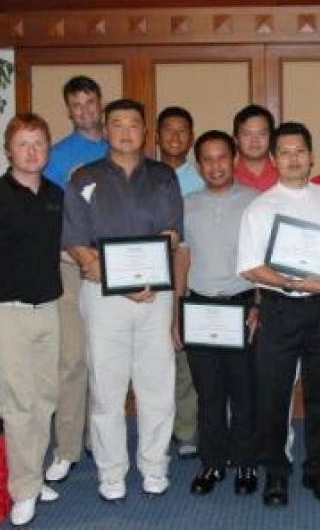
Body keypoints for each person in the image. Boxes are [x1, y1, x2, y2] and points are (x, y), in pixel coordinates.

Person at [62, 99, 182, 501]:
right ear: (106, 130)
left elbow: (171, 235)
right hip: (103, 298)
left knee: (157, 384)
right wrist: (124, 281)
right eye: (117, 124)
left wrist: (144, 278)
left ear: (144, 131)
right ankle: (111, 473)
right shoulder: (83, 179)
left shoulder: (164, 176)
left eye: (134, 124)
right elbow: (79, 248)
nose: (126, 131)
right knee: (106, 388)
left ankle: (154, 465)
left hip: (155, 294)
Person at [237, 122, 320, 507]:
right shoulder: (261, 206)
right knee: (273, 396)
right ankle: (276, 474)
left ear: (311, 155)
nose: (293, 158)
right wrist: (295, 284)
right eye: (284, 152)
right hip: (280, 310)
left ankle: (319, 470)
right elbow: (251, 267)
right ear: (274, 159)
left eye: (300, 151)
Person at [0, 114, 63, 526]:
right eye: (23, 143)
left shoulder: (56, 196)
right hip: (4, 315)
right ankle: (22, 490)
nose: (32, 151)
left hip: (48, 312)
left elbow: (68, 250)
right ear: (8, 150)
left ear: (48, 149)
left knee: (45, 400)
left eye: (39, 143)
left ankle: (33, 477)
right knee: (18, 404)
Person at [177, 130, 260, 496]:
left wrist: (260, 305)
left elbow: (264, 259)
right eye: (207, 160)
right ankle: (211, 464)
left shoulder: (255, 202)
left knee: (244, 391)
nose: (215, 166)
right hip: (199, 307)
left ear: (234, 159)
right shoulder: (186, 204)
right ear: (199, 165)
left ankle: (245, 462)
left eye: (221, 158)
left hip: (242, 306)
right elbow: (181, 258)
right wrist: (176, 311)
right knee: (208, 393)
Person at [43, 75, 108, 484]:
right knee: (71, 359)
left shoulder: (121, 146)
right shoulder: (55, 156)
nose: (85, 110)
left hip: (114, 267)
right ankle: (67, 448)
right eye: (76, 104)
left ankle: (100, 441)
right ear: (68, 110)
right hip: (69, 264)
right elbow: (48, 216)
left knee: (106, 359)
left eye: (90, 102)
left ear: (101, 103)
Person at [156, 105, 204, 459]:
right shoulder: (144, 176)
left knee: (185, 359)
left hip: (190, 278)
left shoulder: (204, 180)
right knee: (152, 361)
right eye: (168, 130)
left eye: (182, 130)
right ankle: (155, 432)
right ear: (155, 136)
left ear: (191, 137)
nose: (175, 137)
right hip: (146, 281)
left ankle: (186, 430)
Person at [233, 104, 278, 191]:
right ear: (236, 139)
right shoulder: (226, 176)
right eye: (247, 134)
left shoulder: (284, 173)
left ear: (272, 137)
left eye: (262, 133)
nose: (254, 140)